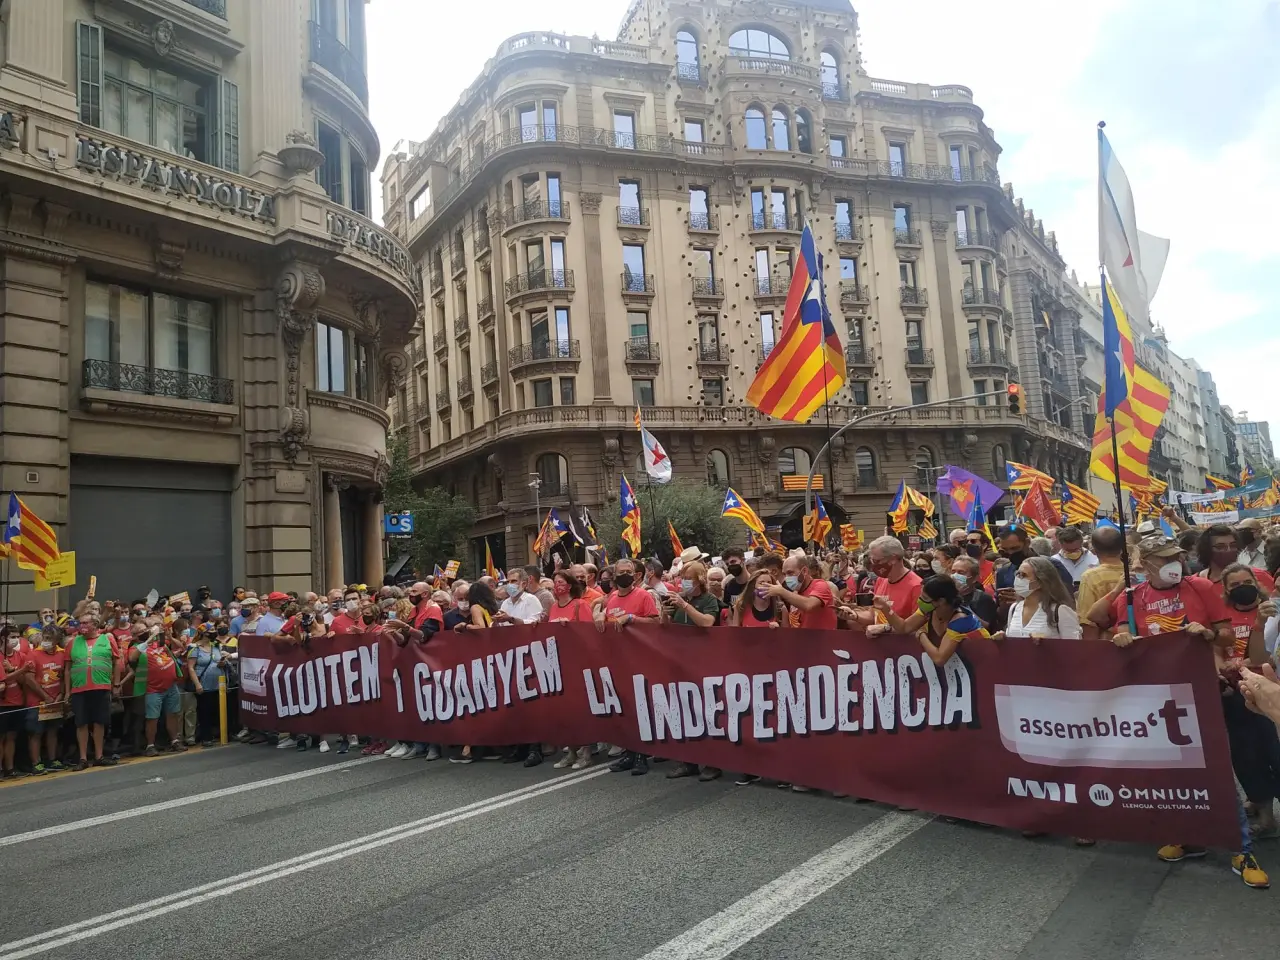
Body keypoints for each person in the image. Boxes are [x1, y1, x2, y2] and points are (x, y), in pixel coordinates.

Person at [1218, 564, 1280, 839]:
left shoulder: (1272, 611)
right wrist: (1222, 670)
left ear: (1257, 582)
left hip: (1269, 693)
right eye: (1234, 585)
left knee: (1275, 753)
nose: (1242, 588)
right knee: (1246, 757)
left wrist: (1260, 625)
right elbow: (1216, 650)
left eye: (1247, 581)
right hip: (1235, 695)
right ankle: (1265, 815)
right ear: (1225, 590)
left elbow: (1260, 658)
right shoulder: (1220, 616)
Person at [876, 575, 990, 665]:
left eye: (925, 598)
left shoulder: (961, 620)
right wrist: (886, 609)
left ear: (941, 601)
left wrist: (921, 635)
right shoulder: (928, 609)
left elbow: (939, 659)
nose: (919, 600)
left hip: (982, 664)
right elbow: (904, 628)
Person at [64, 615, 120, 769]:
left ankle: (99, 756)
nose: (82, 625)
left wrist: (116, 684)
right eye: (80, 623)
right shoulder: (73, 642)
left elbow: (117, 662)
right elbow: (67, 669)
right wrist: (67, 691)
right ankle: (83, 758)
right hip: (79, 688)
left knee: (99, 722)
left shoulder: (107, 639)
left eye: (85, 623)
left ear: (95, 624)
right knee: (81, 722)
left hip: (101, 687)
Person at [126, 624, 185, 756]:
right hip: (152, 689)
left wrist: (169, 636)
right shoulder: (135, 647)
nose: (145, 632)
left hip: (171, 686)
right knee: (152, 718)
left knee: (173, 714)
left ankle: (175, 741)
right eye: (141, 631)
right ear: (134, 636)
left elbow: (180, 648)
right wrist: (148, 640)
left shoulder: (159, 643)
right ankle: (150, 745)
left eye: (146, 629)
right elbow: (132, 658)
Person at [844, 536, 921, 630]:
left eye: (876, 561)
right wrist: (855, 616)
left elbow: (916, 628)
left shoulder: (916, 586)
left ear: (893, 559)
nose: (873, 565)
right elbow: (874, 616)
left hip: (901, 639)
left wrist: (885, 628)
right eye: (871, 560)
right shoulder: (881, 580)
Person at [997, 556, 1081, 640]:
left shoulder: (1060, 611)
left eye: (1024, 575)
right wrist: (1003, 638)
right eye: (1017, 574)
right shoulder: (1014, 608)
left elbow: (1073, 645)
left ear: (1040, 581)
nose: (1018, 579)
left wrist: (1046, 644)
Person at [26, 625, 67, 774]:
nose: (46, 641)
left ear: (57, 640)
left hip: (56, 701)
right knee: (35, 733)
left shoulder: (62, 654)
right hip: (37, 702)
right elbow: (29, 679)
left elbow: (64, 676)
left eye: (50, 638)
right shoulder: (33, 654)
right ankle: (36, 763)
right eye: (45, 637)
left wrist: (61, 694)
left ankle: (52, 760)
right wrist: (46, 697)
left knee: (53, 731)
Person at [1077, 525, 1127, 641]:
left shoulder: (1090, 577)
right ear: (1121, 549)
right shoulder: (1133, 573)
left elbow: (1087, 623)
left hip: (1108, 643)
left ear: (1094, 551)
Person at [769, 553, 837, 629]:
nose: (787, 578)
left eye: (790, 573)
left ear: (804, 571)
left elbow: (809, 605)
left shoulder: (820, 585)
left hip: (823, 636)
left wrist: (782, 591)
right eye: (784, 574)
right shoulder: (794, 593)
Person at [1200, 524, 1276, 591]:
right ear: (1207, 549)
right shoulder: (1197, 583)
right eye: (1220, 546)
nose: (1228, 550)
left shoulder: (1259, 576)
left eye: (1233, 545)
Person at [186, 625, 226, 748]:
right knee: (204, 712)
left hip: (218, 685)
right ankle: (206, 737)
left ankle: (217, 734)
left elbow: (218, 661)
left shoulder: (216, 646)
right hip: (204, 685)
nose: (214, 632)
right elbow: (191, 667)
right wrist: (197, 684)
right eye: (211, 631)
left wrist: (221, 663)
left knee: (216, 710)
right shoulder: (194, 648)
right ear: (204, 633)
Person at [594, 558, 660, 633]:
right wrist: (602, 615)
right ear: (615, 576)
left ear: (634, 576)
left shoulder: (644, 595)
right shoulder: (613, 596)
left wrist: (631, 618)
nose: (625, 574)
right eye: (621, 572)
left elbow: (656, 622)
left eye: (629, 572)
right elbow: (608, 615)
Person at [662, 561, 720, 628]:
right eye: (682, 578)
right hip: (678, 634)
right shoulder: (678, 597)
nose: (684, 581)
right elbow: (667, 625)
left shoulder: (709, 598)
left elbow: (707, 623)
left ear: (699, 580)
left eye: (688, 578)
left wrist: (685, 605)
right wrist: (664, 614)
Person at [948, 555, 998, 632]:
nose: (955, 576)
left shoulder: (983, 598)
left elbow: (984, 627)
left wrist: (961, 603)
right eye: (953, 572)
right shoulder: (945, 596)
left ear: (974, 578)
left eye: (961, 572)